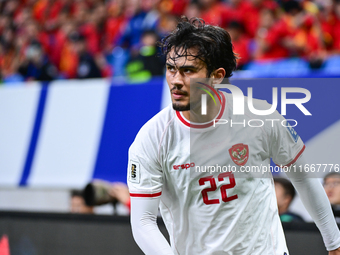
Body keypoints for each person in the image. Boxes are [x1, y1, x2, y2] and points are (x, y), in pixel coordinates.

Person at [127, 17, 340, 255]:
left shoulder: (261, 117)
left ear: (217, 76)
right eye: (171, 68)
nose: (175, 81)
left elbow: (303, 178)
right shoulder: (152, 138)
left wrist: (335, 244)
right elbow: (143, 222)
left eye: (188, 71)